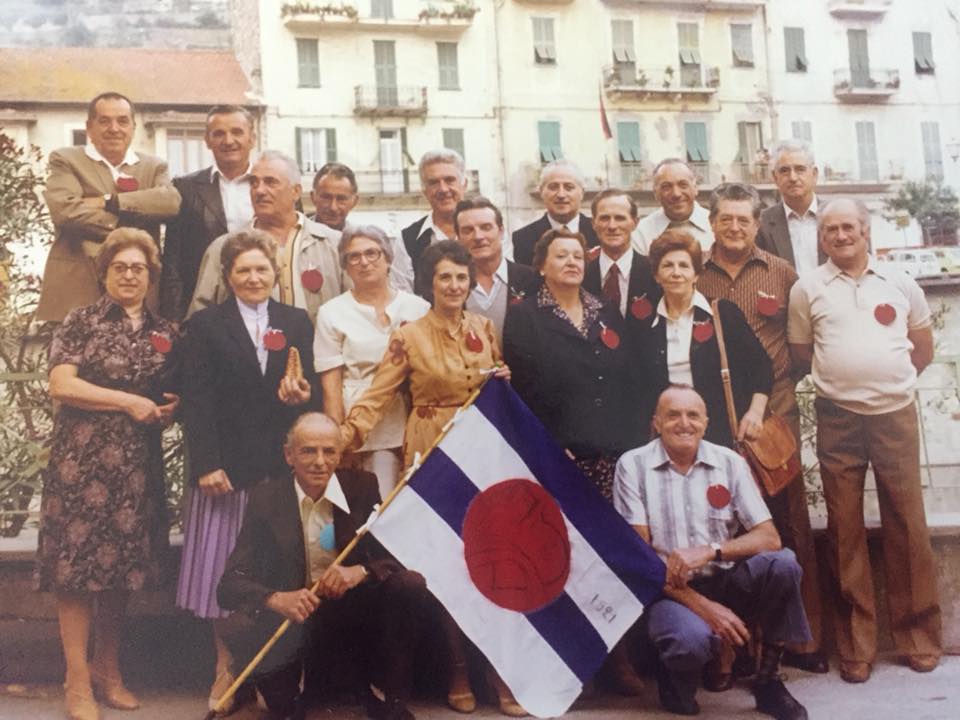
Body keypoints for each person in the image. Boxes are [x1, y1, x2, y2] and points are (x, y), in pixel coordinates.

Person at [340, 240, 520, 716]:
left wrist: (502, 381)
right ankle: (457, 668)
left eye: (462, 277)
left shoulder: (483, 327)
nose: (455, 286)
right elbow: (378, 394)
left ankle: (498, 671)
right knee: (445, 565)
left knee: (491, 561)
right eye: (445, 277)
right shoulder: (409, 335)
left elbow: (496, 390)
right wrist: (345, 434)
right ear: (430, 283)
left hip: (482, 453)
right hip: (433, 453)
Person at [788, 198, 941, 684]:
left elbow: (922, 349)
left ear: (865, 230)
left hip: (895, 414)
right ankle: (856, 644)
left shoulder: (901, 282)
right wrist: (848, 381)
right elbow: (801, 352)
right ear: (822, 237)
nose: (839, 235)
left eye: (848, 226)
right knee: (844, 528)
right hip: (836, 417)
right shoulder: (806, 288)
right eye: (830, 228)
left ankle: (918, 636)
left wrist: (885, 381)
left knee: (908, 523)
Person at [36, 228, 180, 720]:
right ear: (105, 273)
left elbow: (173, 390)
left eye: (138, 267)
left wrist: (174, 405)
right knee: (75, 571)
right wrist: (127, 401)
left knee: (122, 569)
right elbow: (61, 383)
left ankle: (107, 668)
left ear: (151, 275)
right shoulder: (82, 321)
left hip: (137, 468)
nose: (129, 275)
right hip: (81, 463)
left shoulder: (165, 331)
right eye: (120, 267)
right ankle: (76, 678)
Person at [177, 229, 315, 713]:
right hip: (226, 469)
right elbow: (195, 400)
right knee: (225, 569)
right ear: (228, 276)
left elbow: (309, 388)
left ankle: (272, 670)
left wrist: (302, 397)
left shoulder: (295, 321)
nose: (254, 278)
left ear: (275, 274)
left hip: (277, 469)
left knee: (273, 567)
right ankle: (227, 667)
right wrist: (207, 463)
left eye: (262, 269)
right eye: (243, 270)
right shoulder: (206, 325)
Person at [217, 413, 434, 720]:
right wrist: (278, 598)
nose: (320, 462)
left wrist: (361, 572)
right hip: (296, 622)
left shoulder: (362, 486)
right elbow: (229, 585)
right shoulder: (266, 499)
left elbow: (396, 557)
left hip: (352, 613)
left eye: (329, 451)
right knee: (283, 705)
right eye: (308, 451)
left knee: (408, 584)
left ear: (340, 454)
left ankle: (392, 700)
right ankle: (295, 692)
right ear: (288, 455)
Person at [614, 385, 810, 720]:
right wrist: (707, 610)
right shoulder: (633, 466)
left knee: (783, 564)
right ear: (656, 423)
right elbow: (640, 559)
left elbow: (769, 538)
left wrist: (711, 551)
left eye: (693, 415)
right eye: (673, 415)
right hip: (670, 592)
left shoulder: (729, 462)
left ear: (706, 423)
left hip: (726, 579)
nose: (684, 423)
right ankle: (675, 678)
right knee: (689, 643)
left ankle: (768, 680)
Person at [696, 183, 826, 674]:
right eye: (725, 218)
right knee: (724, 529)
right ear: (712, 223)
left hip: (774, 420)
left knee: (789, 527)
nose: (734, 227)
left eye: (743, 220)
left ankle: (801, 641)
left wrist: (778, 398)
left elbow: (803, 343)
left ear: (756, 224)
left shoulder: (782, 273)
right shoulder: (694, 272)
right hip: (716, 424)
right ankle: (735, 646)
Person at [504, 228, 639, 502]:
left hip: (612, 449)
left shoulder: (605, 310)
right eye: (561, 255)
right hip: (560, 451)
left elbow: (626, 378)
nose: (572, 262)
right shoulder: (524, 316)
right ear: (541, 267)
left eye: (578, 256)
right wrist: (550, 443)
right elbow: (522, 391)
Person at [37, 91, 181, 322]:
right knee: (74, 357)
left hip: (138, 292)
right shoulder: (66, 160)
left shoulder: (154, 167)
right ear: (89, 127)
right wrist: (135, 224)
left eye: (122, 121)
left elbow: (170, 203)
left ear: (133, 126)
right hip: (77, 289)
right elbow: (66, 211)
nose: (114, 128)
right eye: (104, 121)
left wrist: (109, 202)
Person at [314, 225, 429, 501]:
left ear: (388, 259)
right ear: (345, 266)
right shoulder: (332, 313)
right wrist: (338, 444)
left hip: (412, 420)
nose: (364, 262)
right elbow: (331, 387)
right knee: (374, 505)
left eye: (372, 253)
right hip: (360, 427)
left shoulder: (419, 308)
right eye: (354, 257)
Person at [636, 229, 772, 449]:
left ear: (696, 274)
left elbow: (762, 367)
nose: (676, 273)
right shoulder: (645, 325)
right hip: (668, 438)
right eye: (667, 265)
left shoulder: (723, 314)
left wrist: (755, 413)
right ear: (656, 276)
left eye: (684, 265)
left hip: (721, 436)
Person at [188, 150, 344, 324]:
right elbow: (199, 321)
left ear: (296, 191)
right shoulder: (223, 248)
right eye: (254, 183)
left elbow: (358, 309)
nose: (259, 190)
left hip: (321, 349)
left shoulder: (334, 244)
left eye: (270, 182)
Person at [160, 105, 257, 320]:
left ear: (252, 138)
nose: (228, 140)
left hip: (262, 299)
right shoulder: (186, 188)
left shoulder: (272, 185)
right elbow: (173, 260)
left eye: (237, 132)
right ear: (207, 140)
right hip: (205, 306)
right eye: (219, 133)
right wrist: (173, 317)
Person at [309, 162, 414, 294]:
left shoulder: (368, 243)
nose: (333, 207)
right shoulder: (296, 240)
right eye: (326, 197)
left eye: (341, 199)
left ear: (354, 201)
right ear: (313, 197)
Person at [453, 196, 536, 345]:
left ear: (501, 231)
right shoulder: (450, 286)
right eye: (468, 230)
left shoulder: (531, 279)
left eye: (486, 227)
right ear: (458, 238)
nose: (478, 236)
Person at [582, 189, 659, 328]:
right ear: (593, 223)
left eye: (620, 218)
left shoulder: (655, 273)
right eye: (605, 218)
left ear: (635, 223)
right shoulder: (581, 275)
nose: (612, 226)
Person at [398, 149, 470, 295]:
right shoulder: (407, 240)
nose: (443, 189)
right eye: (434, 183)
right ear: (424, 191)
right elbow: (403, 298)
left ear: (464, 184)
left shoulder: (488, 232)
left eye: (449, 180)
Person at [511, 160, 599, 266]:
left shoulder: (600, 232)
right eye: (553, 187)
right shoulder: (523, 239)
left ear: (582, 193)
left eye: (569, 187)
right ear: (541, 192)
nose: (561, 194)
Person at [757, 139, 825, 275]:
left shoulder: (838, 217)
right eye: (784, 171)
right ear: (775, 177)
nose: (793, 177)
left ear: (814, 174)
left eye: (800, 169)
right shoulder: (761, 224)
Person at [633, 159, 713, 255]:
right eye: (666, 187)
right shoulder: (641, 233)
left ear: (695, 188)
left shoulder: (715, 226)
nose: (676, 194)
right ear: (655, 193)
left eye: (683, 185)